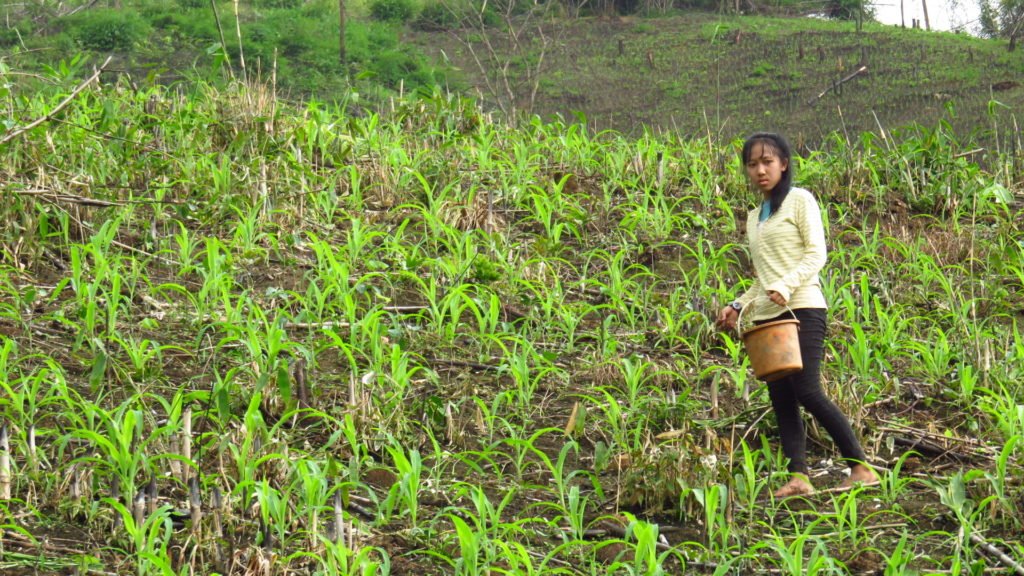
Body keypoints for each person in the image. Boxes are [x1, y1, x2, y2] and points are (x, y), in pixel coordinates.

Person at [715, 132, 877, 498]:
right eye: (753, 164)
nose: (760, 170)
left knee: (807, 389)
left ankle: (861, 467)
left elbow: (815, 255)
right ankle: (799, 477)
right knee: (781, 397)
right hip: (767, 316)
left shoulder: (800, 200)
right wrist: (738, 305)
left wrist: (786, 286)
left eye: (768, 162)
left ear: (784, 163)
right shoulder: (755, 217)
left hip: (803, 306)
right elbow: (763, 279)